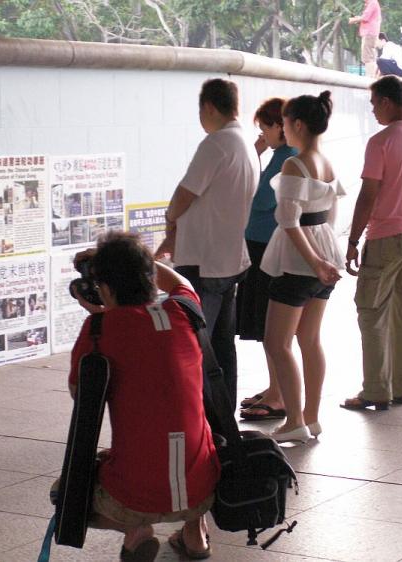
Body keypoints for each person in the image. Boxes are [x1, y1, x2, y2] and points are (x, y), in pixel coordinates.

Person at [70, 232, 220, 561]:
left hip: (133, 494)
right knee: (183, 441)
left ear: (104, 286)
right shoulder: (184, 310)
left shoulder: (99, 330)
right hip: (203, 486)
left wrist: (103, 313)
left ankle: (136, 532)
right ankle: (195, 535)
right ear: (149, 277)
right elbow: (178, 280)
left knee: (63, 493)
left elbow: (81, 397)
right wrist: (133, 261)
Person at [156, 78, 257, 409]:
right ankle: (222, 415)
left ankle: (197, 417)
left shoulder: (216, 143)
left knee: (195, 344)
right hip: (230, 259)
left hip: (204, 260)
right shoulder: (244, 143)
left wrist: (170, 217)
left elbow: (186, 193)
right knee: (222, 346)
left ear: (210, 107)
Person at [342, 76, 402, 411]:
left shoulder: (381, 141)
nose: (373, 111)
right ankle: (400, 387)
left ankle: (375, 391)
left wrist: (354, 239)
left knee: (371, 312)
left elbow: (368, 194)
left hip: (387, 235)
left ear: (386, 101)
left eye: (374, 104)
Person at [259, 91, 344, 442]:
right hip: (324, 248)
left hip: (300, 261)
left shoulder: (295, 163)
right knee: (309, 339)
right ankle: (311, 416)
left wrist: (316, 262)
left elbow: (290, 221)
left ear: (296, 124)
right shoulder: (325, 161)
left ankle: (294, 419)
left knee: (276, 342)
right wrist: (326, 257)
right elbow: (331, 212)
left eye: (285, 123)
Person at [238, 97, 297, 421]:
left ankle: (278, 394)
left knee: (269, 326)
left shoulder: (286, 158)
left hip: (267, 247)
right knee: (267, 327)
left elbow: (259, 198)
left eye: (265, 128)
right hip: (265, 245)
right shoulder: (282, 156)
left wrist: (255, 154)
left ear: (279, 126)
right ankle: (275, 387)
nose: (262, 135)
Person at [349, 0, 382, 78]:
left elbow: (365, 17)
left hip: (369, 33)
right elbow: (367, 17)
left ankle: (370, 77)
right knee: (370, 55)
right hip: (371, 33)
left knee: (367, 56)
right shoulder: (373, 3)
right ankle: (372, 76)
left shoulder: (372, 2)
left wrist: (353, 20)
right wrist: (359, 18)